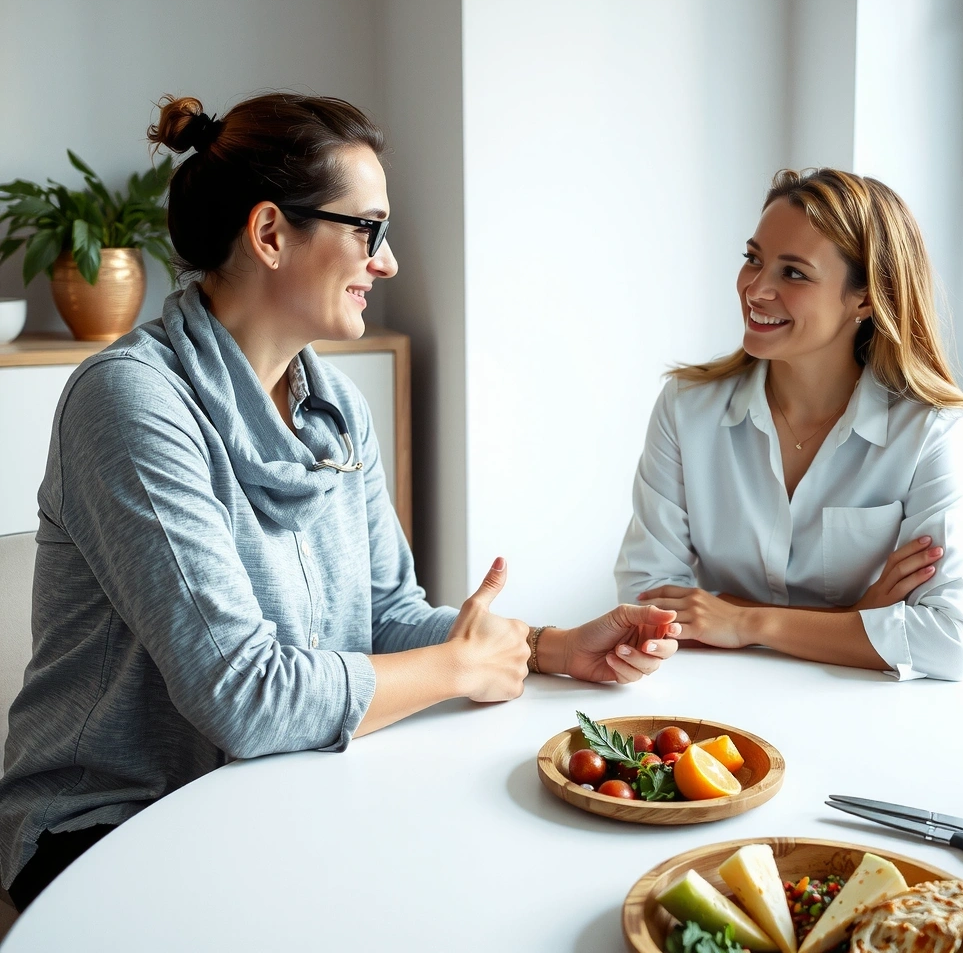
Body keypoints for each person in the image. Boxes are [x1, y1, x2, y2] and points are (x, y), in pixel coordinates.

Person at [0, 93, 680, 911]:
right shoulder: (131, 402)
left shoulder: (335, 408)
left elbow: (384, 615)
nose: (386, 262)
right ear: (271, 234)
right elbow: (242, 697)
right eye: (369, 229)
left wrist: (549, 646)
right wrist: (453, 667)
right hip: (109, 831)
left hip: (274, 797)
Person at [615, 168, 963, 682]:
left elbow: (953, 638)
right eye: (754, 259)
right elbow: (646, 599)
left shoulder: (932, 431)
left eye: (793, 273)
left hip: (865, 714)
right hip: (720, 704)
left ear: (864, 297)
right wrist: (856, 617)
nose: (756, 289)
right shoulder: (687, 407)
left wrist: (746, 621)